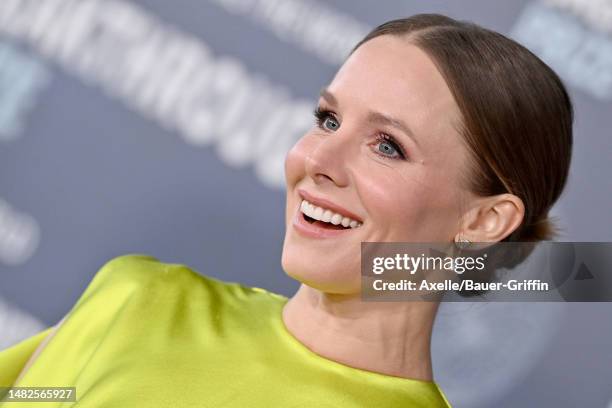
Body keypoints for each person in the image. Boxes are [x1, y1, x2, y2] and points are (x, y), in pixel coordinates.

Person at [0, 13, 572, 407]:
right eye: (328, 119)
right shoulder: (135, 302)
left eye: (387, 145)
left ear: (482, 222)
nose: (316, 157)